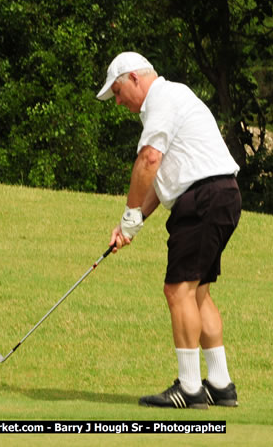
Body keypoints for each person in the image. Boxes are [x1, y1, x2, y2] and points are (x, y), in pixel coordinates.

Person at [96, 51, 242, 409]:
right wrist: (131, 224)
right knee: (197, 293)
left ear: (134, 78)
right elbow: (162, 187)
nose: (118, 101)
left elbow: (148, 160)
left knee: (177, 290)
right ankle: (220, 385)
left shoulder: (162, 99)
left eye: (117, 91)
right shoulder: (176, 97)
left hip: (204, 198)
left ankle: (190, 389)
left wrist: (130, 212)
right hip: (221, 195)